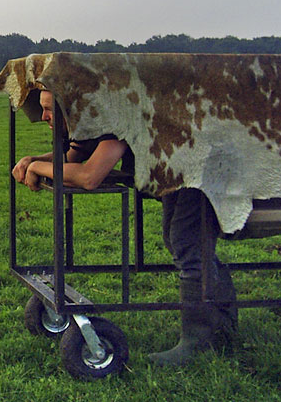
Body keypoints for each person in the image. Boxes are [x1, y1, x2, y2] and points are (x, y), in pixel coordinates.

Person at [12, 89, 237, 366]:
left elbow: (89, 176)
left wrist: (37, 166)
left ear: (72, 109)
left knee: (188, 246)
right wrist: (34, 160)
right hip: (179, 172)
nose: (43, 116)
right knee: (179, 240)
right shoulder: (88, 124)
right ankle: (223, 324)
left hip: (200, 170)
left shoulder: (112, 119)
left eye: (50, 110)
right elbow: (71, 157)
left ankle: (200, 341)